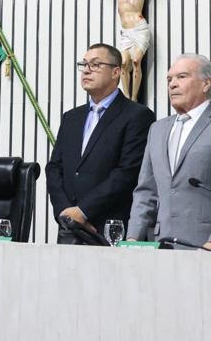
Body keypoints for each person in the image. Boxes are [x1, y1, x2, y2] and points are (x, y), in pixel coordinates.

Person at [127, 54, 211, 251]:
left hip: (210, 247)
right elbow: (146, 190)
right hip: (162, 246)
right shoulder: (157, 129)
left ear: (206, 83)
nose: (172, 84)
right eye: (169, 79)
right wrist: (133, 238)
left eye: (182, 77)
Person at [45, 44, 154, 242]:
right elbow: (54, 168)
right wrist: (66, 213)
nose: (86, 70)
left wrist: (83, 211)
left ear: (116, 72)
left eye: (95, 65)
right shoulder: (71, 117)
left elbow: (128, 172)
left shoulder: (137, 115)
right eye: (83, 64)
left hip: (109, 227)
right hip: (68, 228)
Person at [71, 0, 201, 99]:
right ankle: (127, 96)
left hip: (139, 29)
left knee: (136, 60)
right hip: (126, 32)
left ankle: (134, 97)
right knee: (124, 64)